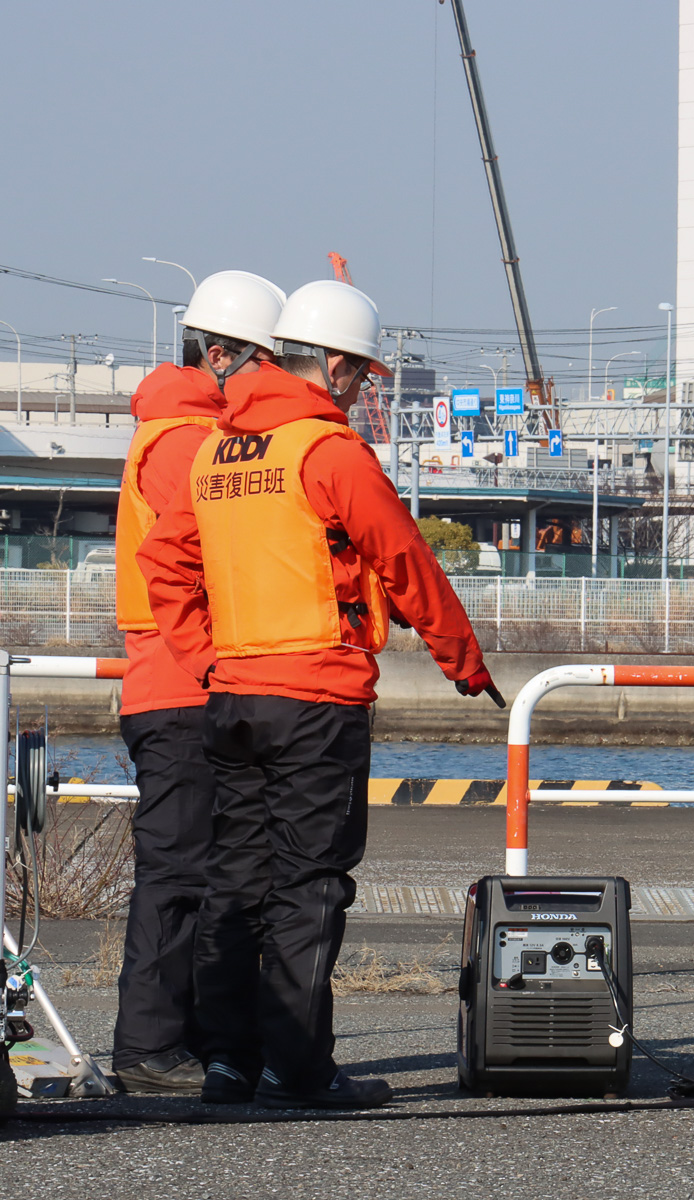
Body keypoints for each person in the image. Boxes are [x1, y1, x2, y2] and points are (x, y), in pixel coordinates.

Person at [140, 280, 502, 1109]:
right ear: (334, 364)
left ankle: (227, 1061)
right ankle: (299, 1068)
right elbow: (405, 558)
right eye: (363, 376)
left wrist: (206, 659)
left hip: (233, 698)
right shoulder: (327, 452)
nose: (364, 390)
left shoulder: (217, 453)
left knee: (235, 881)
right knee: (310, 886)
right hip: (318, 699)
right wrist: (464, 662)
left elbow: (164, 565)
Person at [110, 271, 285, 1094]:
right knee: (181, 875)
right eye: (261, 362)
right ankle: (149, 1048)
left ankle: (190, 1044)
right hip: (184, 683)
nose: (271, 380)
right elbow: (198, 565)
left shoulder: (183, 426)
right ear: (218, 354)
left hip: (179, 682)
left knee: (195, 872)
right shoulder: (185, 437)